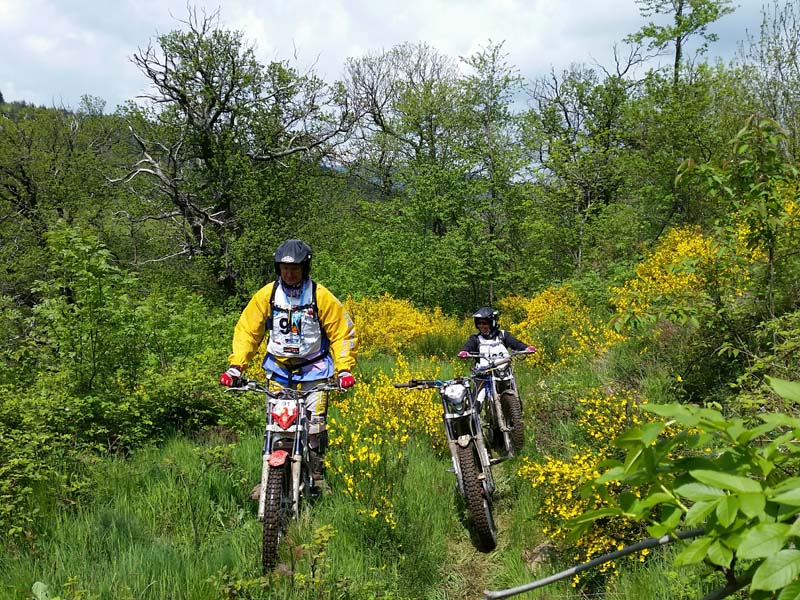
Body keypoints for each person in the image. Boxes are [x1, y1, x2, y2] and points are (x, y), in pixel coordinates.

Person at [219, 239, 357, 493]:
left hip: (315, 371)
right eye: (284, 268)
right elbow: (248, 332)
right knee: (278, 424)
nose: (289, 273)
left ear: (305, 269)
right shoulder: (267, 295)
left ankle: (316, 476)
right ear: (277, 268)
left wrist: (345, 369)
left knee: (315, 427)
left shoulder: (320, 296)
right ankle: (271, 478)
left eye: (294, 269)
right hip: (279, 370)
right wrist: (237, 366)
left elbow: (342, 332)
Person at [458, 306, 535, 406]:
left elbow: (516, 343)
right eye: (479, 323)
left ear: (492, 323)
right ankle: (473, 420)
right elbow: (468, 346)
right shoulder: (476, 339)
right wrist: (464, 352)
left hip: (503, 371)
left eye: (484, 323)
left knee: (516, 401)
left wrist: (527, 348)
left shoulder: (503, 335)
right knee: (475, 403)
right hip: (484, 375)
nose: (481, 326)